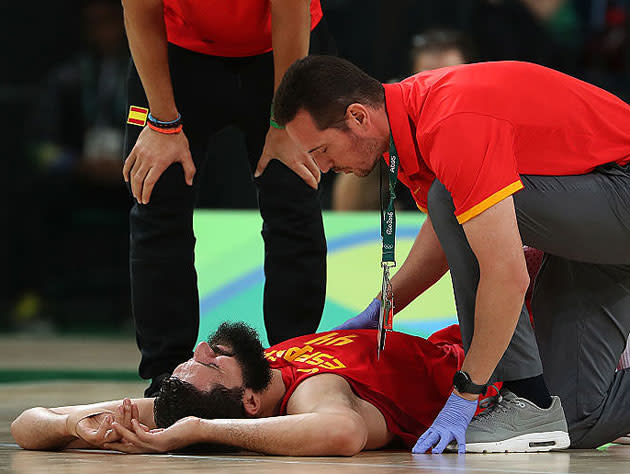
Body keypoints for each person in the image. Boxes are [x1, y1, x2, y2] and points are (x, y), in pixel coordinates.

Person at [272, 56, 630, 453]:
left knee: (448, 200)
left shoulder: (449, 121)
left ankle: (524, 393)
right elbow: (448, 236)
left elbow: (506, 274)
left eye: (321, 150)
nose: (323, 167)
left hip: (619, 187)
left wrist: (466, 393)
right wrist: (383, 308)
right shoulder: (410, 118)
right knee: (571, 420)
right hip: (598, 222)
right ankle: (534, 403)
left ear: (358, 118)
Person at [120, 0, 334, 397]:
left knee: (294, 198)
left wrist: (282, 122)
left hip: (282, 50)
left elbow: (291, 12)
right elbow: (140, 12)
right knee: (155, 201)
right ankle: (167, 379)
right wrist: (163, 122)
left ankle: (293, 371)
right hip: (177, 52)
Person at [11, 322, 498, 455]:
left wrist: (72, 423)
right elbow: (344, 432)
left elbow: (28, 423)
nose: (201, 349)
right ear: (247, 400)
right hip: (497, 359)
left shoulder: (260, 373)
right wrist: (200, 430)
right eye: (207, 364)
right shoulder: (310, 392)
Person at [332, 28, 474, 211]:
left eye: (448, 79)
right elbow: (348, 210)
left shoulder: (485, 123)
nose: (439, 92)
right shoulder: (394, 121)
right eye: (428, 80)